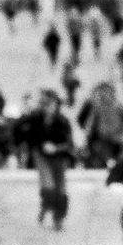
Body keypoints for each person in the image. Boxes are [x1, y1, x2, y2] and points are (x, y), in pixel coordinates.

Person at [26, 89, 74, 230]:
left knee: (60, 190)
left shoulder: (63, 121)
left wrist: (56, 148)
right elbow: (27, 135)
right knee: (48, 187)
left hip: (59, 158)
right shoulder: (36, 119)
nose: (48, 107)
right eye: (45, 104)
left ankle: (58, 218)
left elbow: (69, 144)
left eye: (50, 104)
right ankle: (46, 206)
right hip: (42, 157)